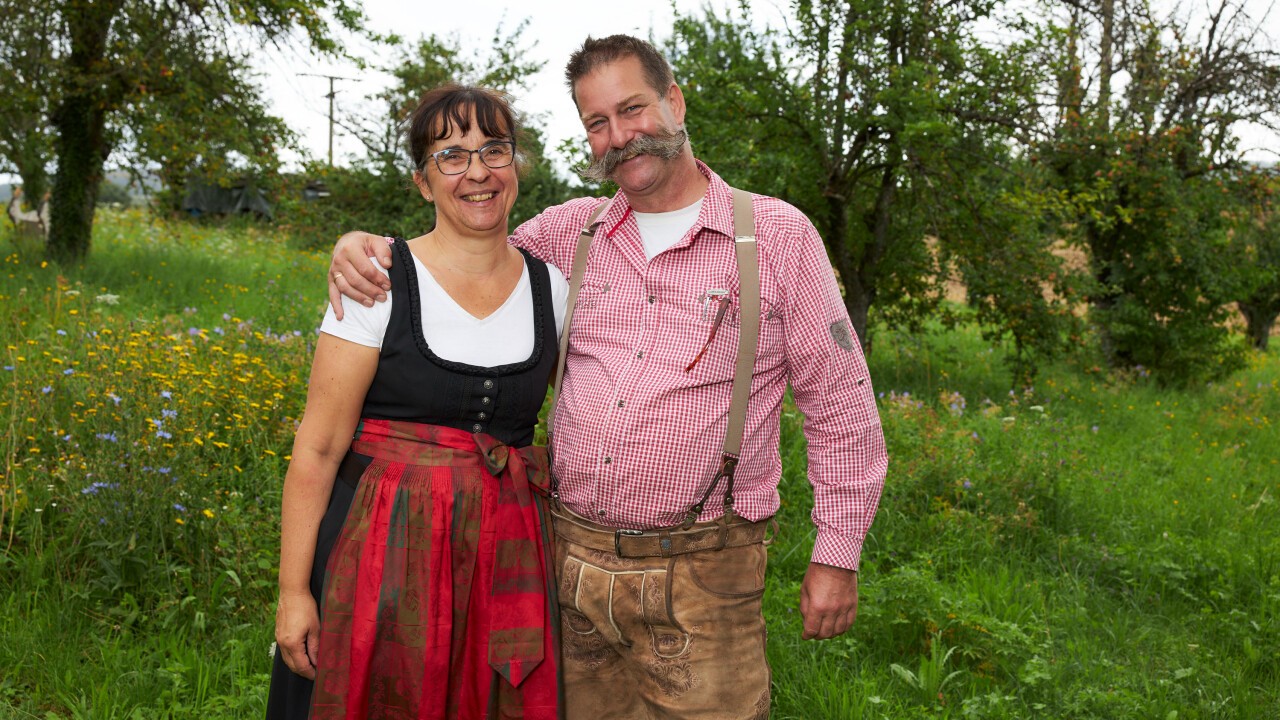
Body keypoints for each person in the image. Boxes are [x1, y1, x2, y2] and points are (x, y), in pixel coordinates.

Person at [329, 35, 888, 720]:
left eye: (633, 109)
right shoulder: (568, 233)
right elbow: (462, 249)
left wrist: (837, 553)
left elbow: (840, 405)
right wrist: (365, 247)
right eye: (597, 122)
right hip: (568, 569)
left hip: (705, 576)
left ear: (674, 101)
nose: (620, 136)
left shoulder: (775, 236)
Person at [267, 84, 567, 720]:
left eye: (494, 150)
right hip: (377, 556)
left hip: (500, 558)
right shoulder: (376, 281)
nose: (478, 172)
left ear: (516, 165)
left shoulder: (553, 288)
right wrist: (294, 591)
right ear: (423, 183)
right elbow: (318, 448)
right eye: (451, 156)